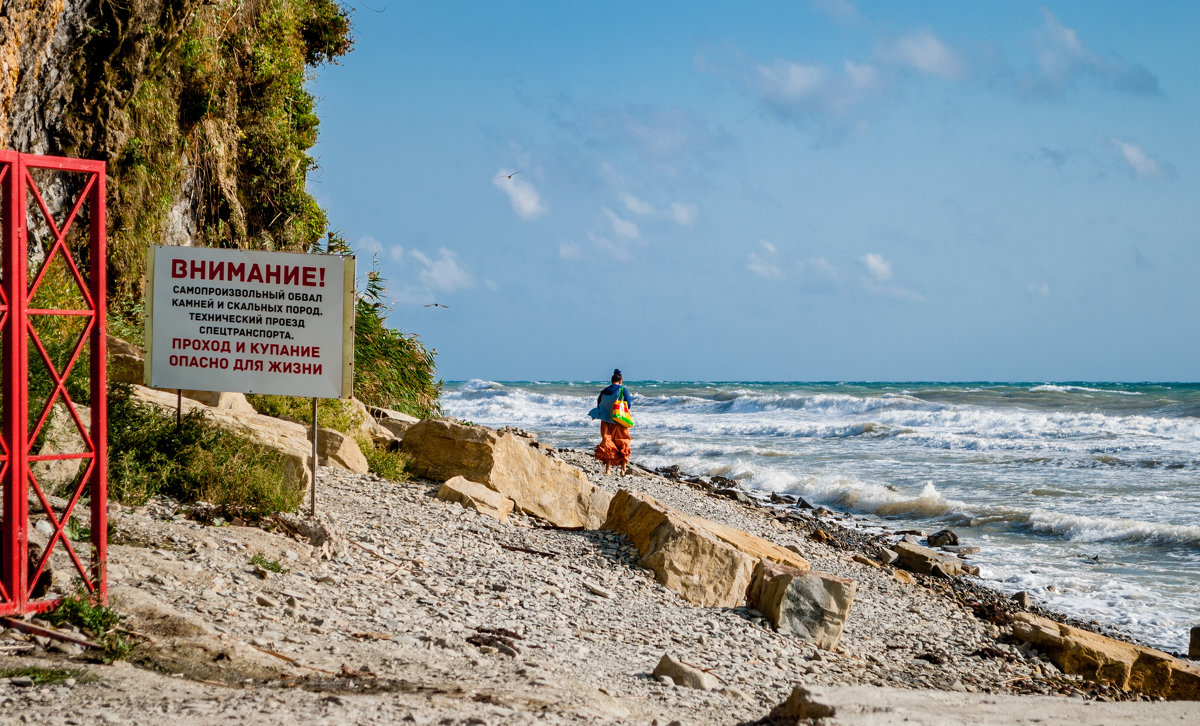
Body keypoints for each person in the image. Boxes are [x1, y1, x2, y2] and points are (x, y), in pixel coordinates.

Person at [593, 369, 631, 476]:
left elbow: (599, 405)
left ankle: (608, 470)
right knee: (623, 442)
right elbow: (628, 404)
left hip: (605, 421)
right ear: (620, 381)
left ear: (611, 380)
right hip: (618, 420)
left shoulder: (603, 392)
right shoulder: (623, 390)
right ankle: (623, 469)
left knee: (608, 444)